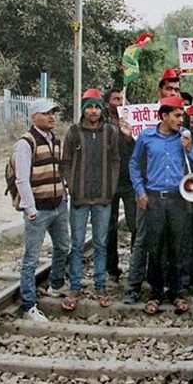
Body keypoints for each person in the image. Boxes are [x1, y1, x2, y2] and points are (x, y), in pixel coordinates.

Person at [125, 96, 193, 314]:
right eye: (176, 115)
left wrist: (190, 148)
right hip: (154, 198)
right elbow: (134, 164)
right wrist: (140, 190)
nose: (181, 119)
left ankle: (176, 292)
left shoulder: (184, 137)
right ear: (164, 116)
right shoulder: (147, 137)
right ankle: (155, 293)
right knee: (154, 246)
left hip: (178, 198)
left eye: (182, 114)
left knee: (178, 245)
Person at [60, 88, 121, 310]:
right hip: (80, 198)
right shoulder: (74, 132)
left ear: (101, 109)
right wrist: (71, 184)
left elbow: (115, 161)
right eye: (89, 107)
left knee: (100, 243)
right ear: (83, 110)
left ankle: (100, 286)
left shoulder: (110, 132)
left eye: (96, 107)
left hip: (103, 197)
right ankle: (75, 287)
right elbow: (65, 162)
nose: (93, 111)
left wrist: (111, 186)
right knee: (76, 245)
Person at [14, 99, 71, 322]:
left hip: (58, 205)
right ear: (34, 116)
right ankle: (29, 304)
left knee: (63, 247)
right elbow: (21, 179)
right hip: (39, 209)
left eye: (53, 113)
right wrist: (30, 209)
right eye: (46, 113)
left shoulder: (55, 140)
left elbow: (59, 172)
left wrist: (64, 196)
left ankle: (56, 284)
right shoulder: (25, 143)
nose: (52, 117)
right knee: (31, 258)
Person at [103, 88, 136, 283]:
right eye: (116, 99)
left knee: (135, 226)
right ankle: (111, 270)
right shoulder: (103, 125)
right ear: (107, 104)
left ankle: (136, 267)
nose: (120, 102)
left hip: (131, 182)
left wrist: (129, 135)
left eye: (123, 99)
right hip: (110, 183)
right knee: (109, 228)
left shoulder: (134, 122)